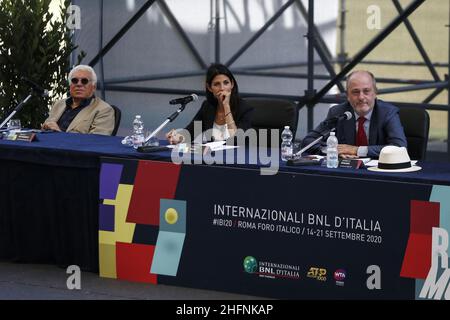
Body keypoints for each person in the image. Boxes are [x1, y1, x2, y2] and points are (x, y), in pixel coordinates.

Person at [301, 70, 407, 158]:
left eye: (366, 91)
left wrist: (357, 150)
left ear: (375, 93)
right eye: (355, 92)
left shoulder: (387, 113)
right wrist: (333, 151)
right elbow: (308, 141)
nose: (361, 97)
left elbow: (399, 148)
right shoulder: (338, 112)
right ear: (347, 96)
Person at [166, 63, 253, 144]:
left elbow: (237, 140)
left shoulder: (245, 108)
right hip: (212, 157)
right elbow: (190, 132)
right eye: (217, 84)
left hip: (238, 157)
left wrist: (226, 106)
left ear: (232, 84)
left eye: (226, 83)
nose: (222, 88)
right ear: (210, 88)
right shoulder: (207, 106)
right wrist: (177, 138)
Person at [42, 65, 115, 135]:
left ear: (94, 87)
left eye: (84, 81)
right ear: (70, 85)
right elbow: (44, 129)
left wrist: (60, 134)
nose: (79, 84)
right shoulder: (59, 104)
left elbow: (95, 142)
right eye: (74, 80)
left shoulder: (104, 110)